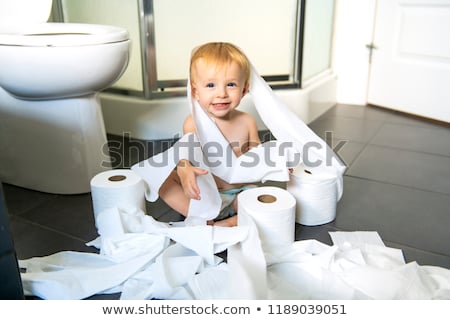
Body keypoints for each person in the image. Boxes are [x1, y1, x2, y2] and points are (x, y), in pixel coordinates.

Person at [158, 42, 261, 227]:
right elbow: (186, 155)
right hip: (205, 193)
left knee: (257, 200)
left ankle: (226, 222)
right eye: (211, 85)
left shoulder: (247, 122)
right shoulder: (193, 123)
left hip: (239, 192)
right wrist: (184, 168)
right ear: (196, 92)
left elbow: (260, 155)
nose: (221, 93)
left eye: (231, 84)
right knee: (162, 181)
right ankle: (205, 215)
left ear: (244, 90)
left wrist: (276, 163)